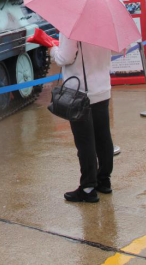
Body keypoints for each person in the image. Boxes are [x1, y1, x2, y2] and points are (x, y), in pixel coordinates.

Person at [50, 33, 114, 204]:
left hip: (81, 94)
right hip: (102, 88)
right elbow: (118, 48)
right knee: (103, 137)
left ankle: (88, 188)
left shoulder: (71, 28)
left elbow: (65, 57)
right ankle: (104, 180)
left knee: (85, 142)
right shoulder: (105, 23)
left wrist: (52, 50)